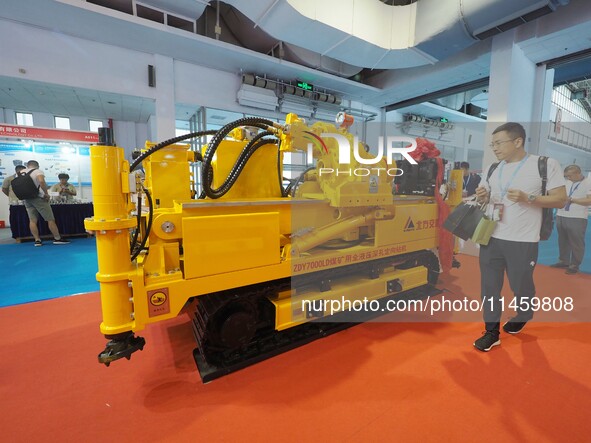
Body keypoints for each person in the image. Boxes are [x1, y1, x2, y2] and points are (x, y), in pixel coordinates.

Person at [473, 122, 566, 352]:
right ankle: (491, 331)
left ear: (517, 141)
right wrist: (482, 195)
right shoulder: (493, 168)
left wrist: (529, 198)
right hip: (490, 235)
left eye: (499, 143)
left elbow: (561, 199)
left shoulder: (544, 165)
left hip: (523, 240)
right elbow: (485, 199)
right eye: (492, 144)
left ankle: (524, 312)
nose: (494, 148)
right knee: (489, 287)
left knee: (521, 285)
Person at [551, 165, 591, 275]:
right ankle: (563, 261)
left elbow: (589, 200)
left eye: (570, 175)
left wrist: (572, 200)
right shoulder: (566, 182)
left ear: (578, 173)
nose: (568, 178)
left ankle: (574, 265)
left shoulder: (588, 183)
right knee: (562, 241)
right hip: (561, 214)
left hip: (577, 217)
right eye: (566, 176)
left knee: (576, 242)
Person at [21, 160, 70, 246]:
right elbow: (41, 181)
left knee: (32, 220)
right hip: (38, 198)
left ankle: (37, 240)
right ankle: (57, 238)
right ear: (37, 165)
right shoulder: (37, 171)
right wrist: (46, 193)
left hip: (26, 198)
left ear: (28, 165)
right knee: (50, 219)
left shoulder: (21, 172)